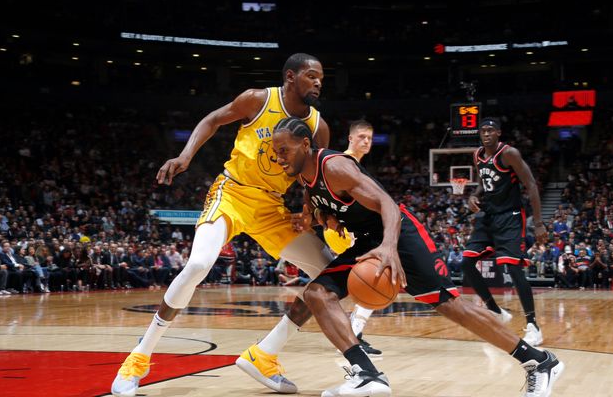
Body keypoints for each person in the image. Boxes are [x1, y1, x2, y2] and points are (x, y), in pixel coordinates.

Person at [111, 53, 371, 397]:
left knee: (329, 277)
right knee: (198, 265)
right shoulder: (258, 99)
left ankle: (264, 355)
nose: (319, 82)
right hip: (232, 191)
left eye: (321, 77)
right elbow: (212, 119)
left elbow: (314, 174)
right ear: (291, 77)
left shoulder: (318, 126)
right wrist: (186, 155)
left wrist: (308, 209)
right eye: (311, 76)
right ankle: (137, 360)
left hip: (272, 207)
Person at [272, 117, 564, 397]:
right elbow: (317, 209)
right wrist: (318, 219)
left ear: (306, 145)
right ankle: (367, 374)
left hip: (399, 235)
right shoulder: (301, 174)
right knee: (318, 294)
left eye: (284, 150)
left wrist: (388, 247)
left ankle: (538, 361)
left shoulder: (335, 166)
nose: (280, 157)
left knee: (451, 307)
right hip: (367, 241)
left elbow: (388, 204)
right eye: (276, 152)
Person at [460, 118, 546, 345]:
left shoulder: (510, 154)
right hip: (488, 216)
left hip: (510, 217)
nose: (486, 134)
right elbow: (484, 182)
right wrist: (474, 195)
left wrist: (538, 223)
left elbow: (531, 184)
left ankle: (533, 325)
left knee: (514, 267)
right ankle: (495, 311)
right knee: (466, 262)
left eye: (490, 130)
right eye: (483, 131)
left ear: (498, 133)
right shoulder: (477, 154)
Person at [323, 119, 382, 356]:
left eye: (369, 138)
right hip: (344, 231)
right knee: (376, 277)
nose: (366, 141)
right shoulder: (343, 162)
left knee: (375, 278)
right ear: (350, 138)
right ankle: (352, 332)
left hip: (349, 228)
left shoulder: (355, 164)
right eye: (361, 137)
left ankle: (354, 331)